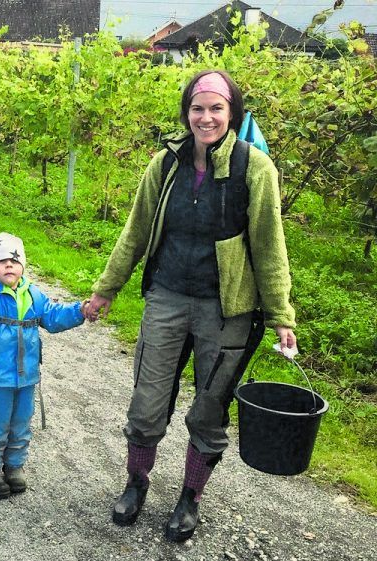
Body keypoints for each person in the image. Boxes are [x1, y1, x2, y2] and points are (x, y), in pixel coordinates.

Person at [83, 70, 297, 542]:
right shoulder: (165, 165)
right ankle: (136, 483)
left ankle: (190, 498)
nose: (206, 117)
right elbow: (135, 232)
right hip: (167, 296)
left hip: (227, 309)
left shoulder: (254, 168)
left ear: (232, 114)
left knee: (208, 408)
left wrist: (281, 314)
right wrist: (106, 288)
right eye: (197, 108)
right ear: (186, 114)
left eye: (216, 108)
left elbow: (269, 244)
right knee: (146, 401)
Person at [0, 233, 87, 499]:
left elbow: (53, 317)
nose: (9, 265)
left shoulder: (32, 293)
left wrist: (80, 311)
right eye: (2, 261)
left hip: (26, 377)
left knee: (21, 424)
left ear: (23, 266)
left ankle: (14, 466)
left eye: (15, 261)